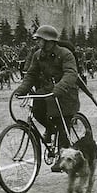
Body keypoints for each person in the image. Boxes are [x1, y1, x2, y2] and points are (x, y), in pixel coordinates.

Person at [14, 25, 80, 172]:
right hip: (47, 91)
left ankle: (62, 159)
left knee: (62, 124)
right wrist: (22, 89)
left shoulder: (65, 54)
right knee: (36, 110)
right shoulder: (38, 55)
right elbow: (31, 74)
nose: (38, 43)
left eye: (40, 40)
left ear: (49, 41)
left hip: (65, 94)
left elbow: (70, 74)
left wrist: (60, 87)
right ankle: (51, 129)